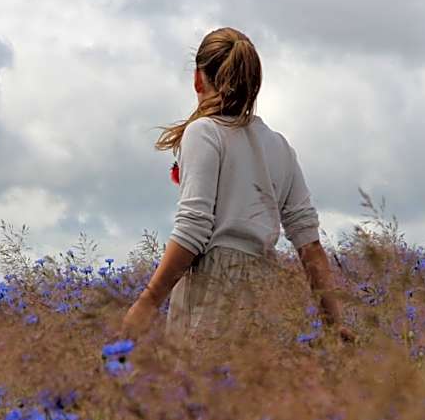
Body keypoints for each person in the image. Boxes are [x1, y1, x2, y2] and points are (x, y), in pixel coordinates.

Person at [122, 27, 355, 345]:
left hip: (213, 289)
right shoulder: (279, 146)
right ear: (253, 85)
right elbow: (309, 244)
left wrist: (147, 303)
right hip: (266, 289)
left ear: (198, 79)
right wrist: (333, 323)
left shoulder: (204, 133)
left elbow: (193, 229)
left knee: (200, 389)